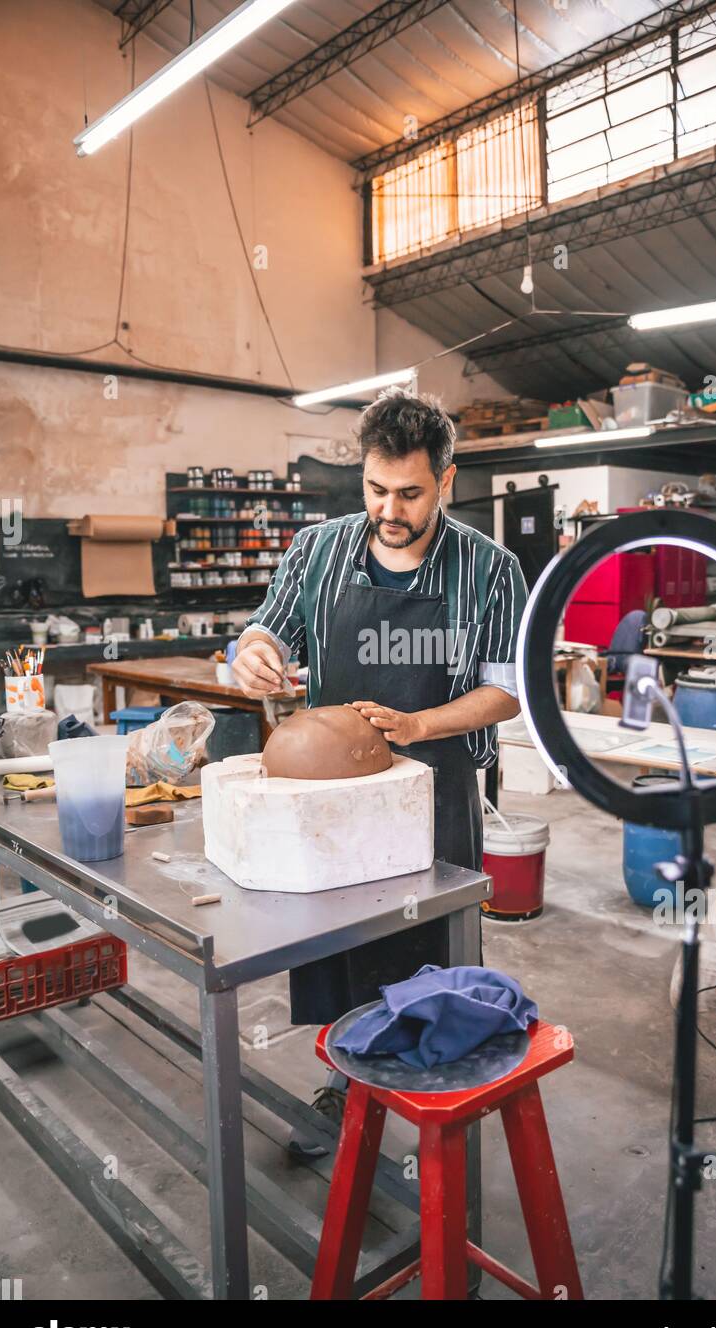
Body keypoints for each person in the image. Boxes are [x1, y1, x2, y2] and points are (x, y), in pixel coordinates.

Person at [233, 389, 527, 1155]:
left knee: (431, 947)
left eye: (408, 493)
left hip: (438, 789)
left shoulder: (490, 569)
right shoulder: (318, 549)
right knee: (342, 945)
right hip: (336, 799)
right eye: (374, 489)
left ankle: (442, 1095)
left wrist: (421, 725)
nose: (388, 510)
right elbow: (270, 626)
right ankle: (345, 1083)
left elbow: (508, 691)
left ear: (447, 480)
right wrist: (255, 653)